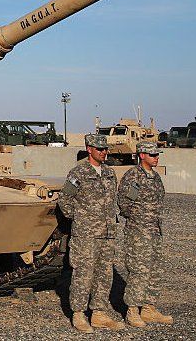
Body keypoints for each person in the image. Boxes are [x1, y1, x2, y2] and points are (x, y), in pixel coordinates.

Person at [58, 133, 124, 332]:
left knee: (104, 274)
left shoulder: (109, 173)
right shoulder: (78, 172)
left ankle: (99, 313)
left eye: (105, 149)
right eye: (99, 149)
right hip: (85, 235)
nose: (104, 152)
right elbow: (64, 200)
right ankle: (78, 314)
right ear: (89, 149)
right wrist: (80, 219)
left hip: (107, 233)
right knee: (83, 274)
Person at [119, 140, 173, 327]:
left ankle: (149, 308)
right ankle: (132, 310)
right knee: (138, 270)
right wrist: (139, 219)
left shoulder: (155, 177)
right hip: (138, 232)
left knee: (154, 270)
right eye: (152, 155)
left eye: (157, 155)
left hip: (155, 230)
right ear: (142, 155)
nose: (156, 158)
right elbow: (125, 205)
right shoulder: (134, 176)